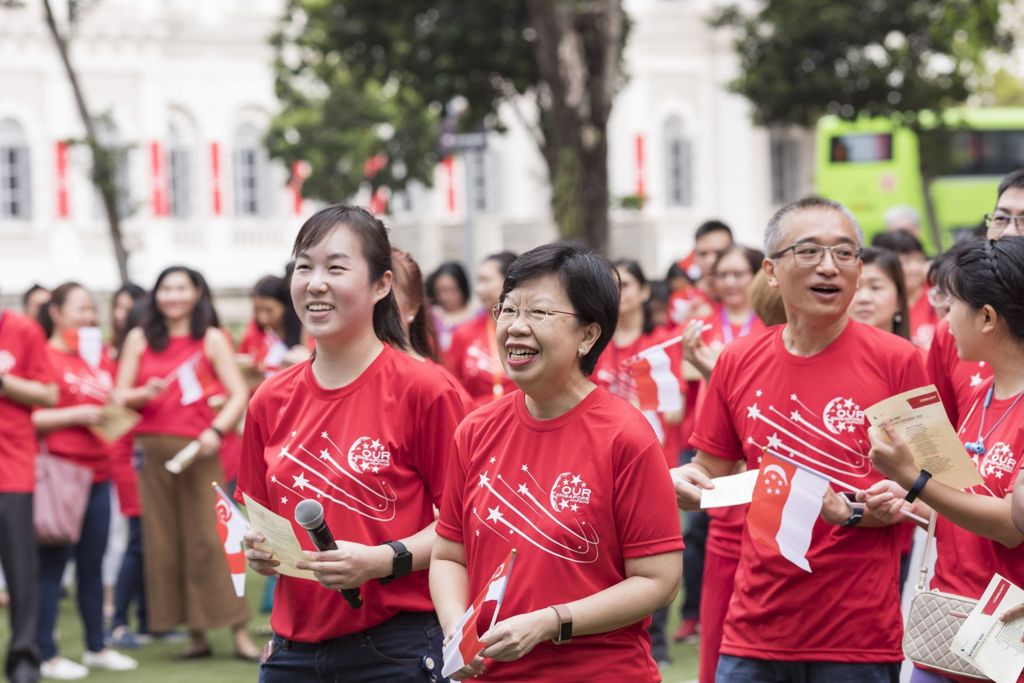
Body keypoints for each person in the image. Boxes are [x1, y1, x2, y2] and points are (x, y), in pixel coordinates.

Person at [672, 196, 929, 683]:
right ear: (770, 270)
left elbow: (933, 494)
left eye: (845, 253)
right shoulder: (736, 360)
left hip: (857, 637)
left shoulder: (900, 361)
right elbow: (710, 472)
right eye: (809, 252)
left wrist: (855, 510)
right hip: (755, 629)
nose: (829, 267)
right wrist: (683, 483)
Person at [431, 243, 684, 681]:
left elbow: (658, 581)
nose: (516, 328)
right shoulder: (474, 431)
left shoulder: (626, 436)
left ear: (588, 335)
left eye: (540, 314)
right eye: (508, 311)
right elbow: (450, 555)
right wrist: (456, 627)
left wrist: (553, 622)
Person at [238, 205, 465, 682]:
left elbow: (463, 527)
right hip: (291, 654)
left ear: (382, 284)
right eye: (304, 266)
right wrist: (261, 554)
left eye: (335, 267)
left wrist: (382, 560)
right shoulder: (269, 399)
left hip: (395, 648)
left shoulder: (425, 390)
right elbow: (263, 523)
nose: (315, 283)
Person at [861, 236, 1024, 683]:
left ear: (988, 317)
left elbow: (1011, 526)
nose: (943, 320)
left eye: (950, 305)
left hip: (1008, 642)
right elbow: (965, 502)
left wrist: (913, 479)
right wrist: (910, 502)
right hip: (948, 631)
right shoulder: (978, 394)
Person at [115, 266, 258, 661]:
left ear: (196, 293)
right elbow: (119, 395)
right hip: (152, 451)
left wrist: (216, 431)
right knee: (165, 543)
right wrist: (143, 392)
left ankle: (238, 631)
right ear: (156, 295)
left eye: (182, 288)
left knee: (214, 540)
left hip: (199, 450)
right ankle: (195, 635)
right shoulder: (140, 338)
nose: (173, 296)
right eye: (166, 288)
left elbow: (237, 394)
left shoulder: (210, 338)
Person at [31, 282, 139, 679]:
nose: (89, 316)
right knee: (52, 566)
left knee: (94, 566)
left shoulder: (97, 357)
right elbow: (28, 418)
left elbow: (109, 404)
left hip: (100, 473)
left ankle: (97, 645)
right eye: (80, 308)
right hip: (60, 476)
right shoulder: (43, 355)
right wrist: (74, 417)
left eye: (92, 308)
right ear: (56, 312)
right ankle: (46, 653)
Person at [676, 245, 766, 683]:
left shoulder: (773, 328)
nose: (731, 282)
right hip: (715, 452)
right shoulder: (702, 325)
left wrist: (717, 372)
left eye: (739, 273)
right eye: (723, 274)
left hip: (760, 470)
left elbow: (754, 407)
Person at [591, 259, 684, 666]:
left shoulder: (663, 344)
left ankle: (655, 643)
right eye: (613, 285)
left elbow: (675, 412)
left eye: (628, 284)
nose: (621, 292)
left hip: (655, 465)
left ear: (646, 292)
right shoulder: (592, 345)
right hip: (599, 469)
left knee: (650, 560)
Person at [928, 168, 1024, 428]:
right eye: (1002, 219)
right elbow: (940, 438)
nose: (1011, 233)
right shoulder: (952, 331)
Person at [0, 294, 57, 683]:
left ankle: (23, 657)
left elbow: (48, 394)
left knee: (21, 570)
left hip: (10, 467)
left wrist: (3, 382)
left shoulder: (22, 329)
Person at [446, 252, 518, 407]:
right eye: (478, 281)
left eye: (485, 281)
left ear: (509, 282)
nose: (479, 289)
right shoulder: (463, 333)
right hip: (479, 422)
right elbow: (452, 386)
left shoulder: (527, 330)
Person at [237, 273, 309, 386]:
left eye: (269, 310)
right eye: (257, 310)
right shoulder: (252, 334)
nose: (262, 318)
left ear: (285, 306)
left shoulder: (305, 331)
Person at [872, 230, 934, 349]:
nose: (915, 268)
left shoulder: (937, 298)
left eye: (919, 259)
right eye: (906, 261)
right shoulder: (879, 305)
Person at [848, 247, 911, 341]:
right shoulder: (823, 354)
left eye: (876, 287)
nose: (864, 298)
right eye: (855, 287)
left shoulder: (916, 355)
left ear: (899, 300)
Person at [425, 261, 475, 354]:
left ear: (462, 288)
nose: (445, 297)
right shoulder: (430, 315)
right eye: (440, 291)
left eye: (451, 290)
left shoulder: (477, 316)